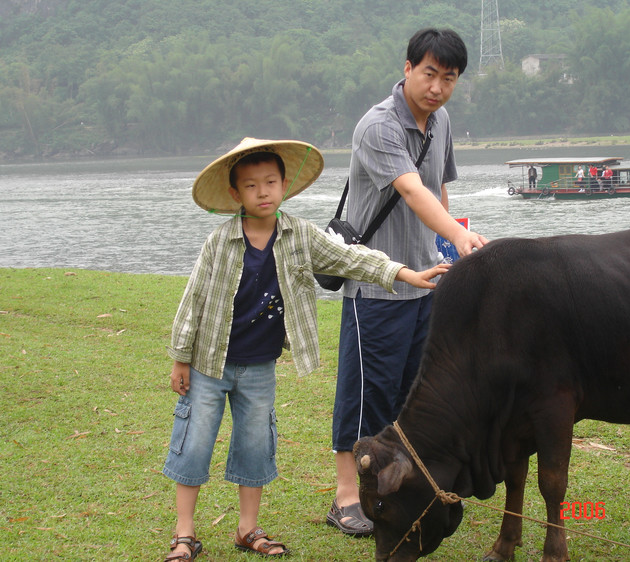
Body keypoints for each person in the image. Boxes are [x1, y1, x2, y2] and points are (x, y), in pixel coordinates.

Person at [162, 137, 450, 561]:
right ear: (235, 194)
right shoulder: (219, 243)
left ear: (284, 186)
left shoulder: (300, 235)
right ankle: (183, 533)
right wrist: (180, 357)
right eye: (252, 185)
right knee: (194, 441)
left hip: (259, 366)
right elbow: (194, 300)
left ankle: (247, 529)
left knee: (256, 445)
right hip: (209, 363)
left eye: (271, 182)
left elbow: (353, 259)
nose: (263, 192)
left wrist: (405, 273)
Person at [328, 28, 488, 537]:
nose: (437, 87)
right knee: (366, 397)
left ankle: (397, 491)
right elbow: (413, 191)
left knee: (409, 395)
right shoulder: (378, 127)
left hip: (426, 285)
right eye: (429, 74)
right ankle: (347, 498)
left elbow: (439, 190)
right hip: (375, 287)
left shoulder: (440, 121)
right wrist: (461, 242)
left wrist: (453, 248)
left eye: (449, 78)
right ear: (407, 68)